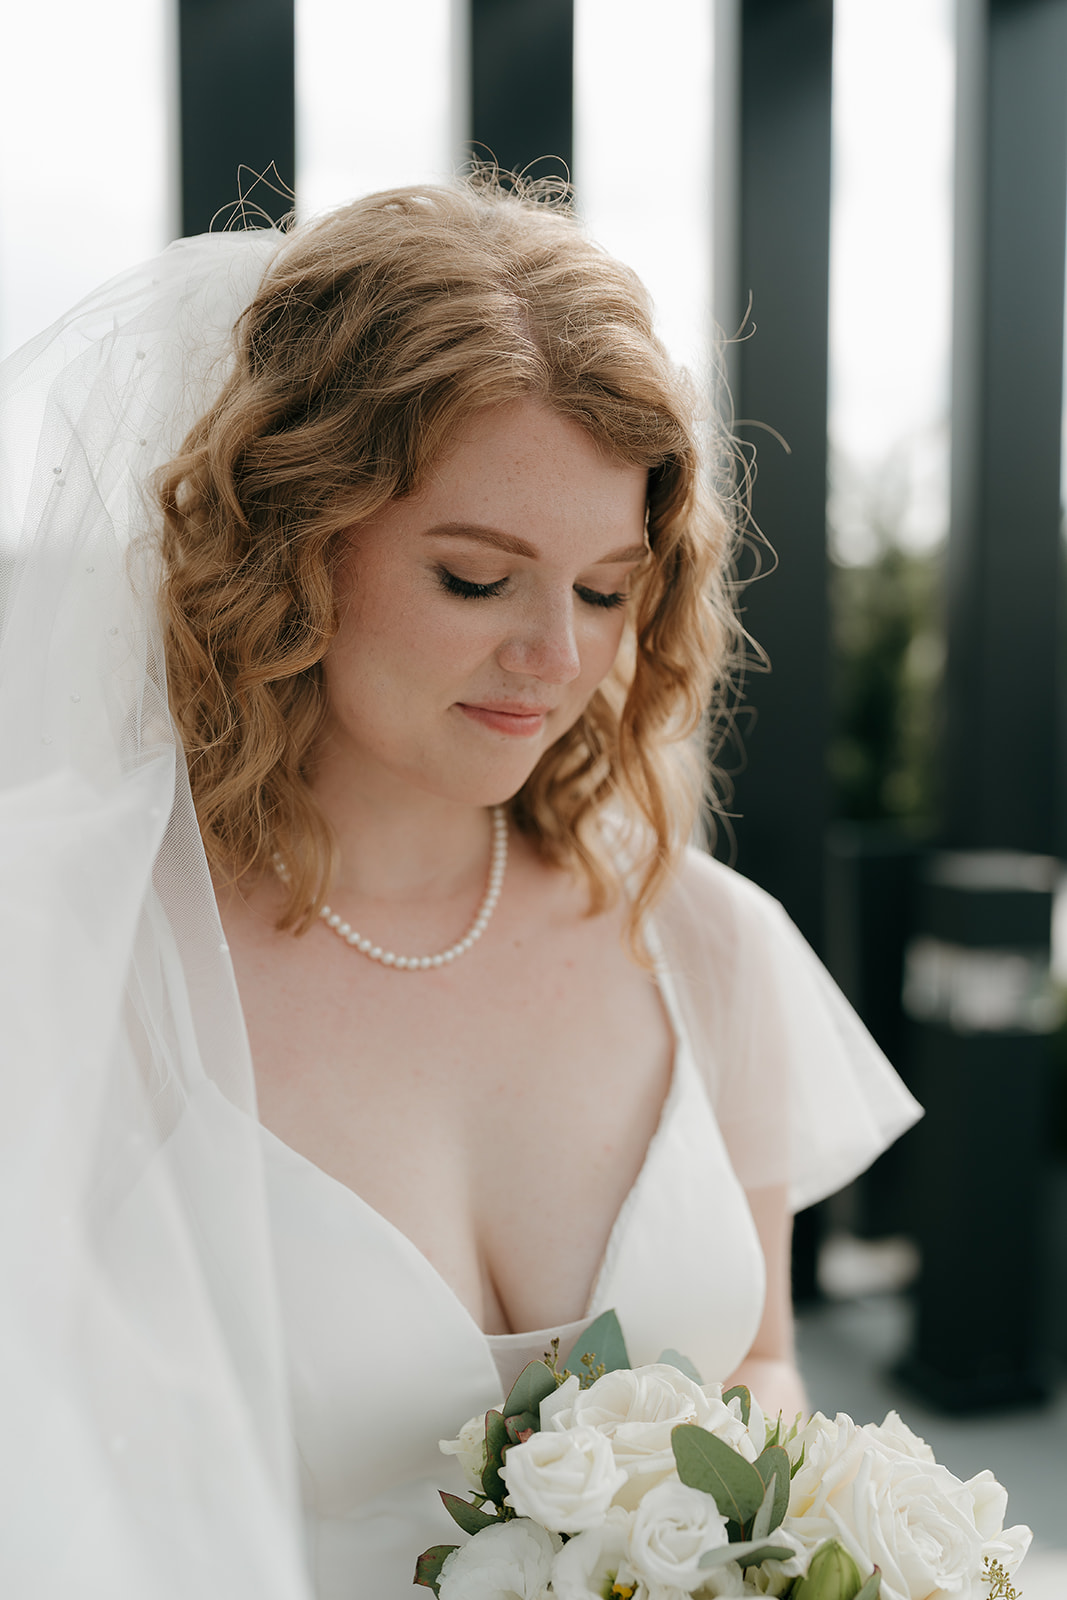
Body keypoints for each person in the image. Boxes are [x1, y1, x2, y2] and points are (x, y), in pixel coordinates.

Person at [0, 175, 920, 1600]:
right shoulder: (72, 947)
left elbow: (758, 1364)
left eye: (608, 590)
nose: (556, 655)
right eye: (480, 581)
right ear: (294, 545)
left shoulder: (708, 943)